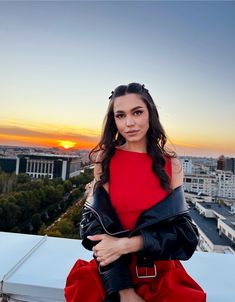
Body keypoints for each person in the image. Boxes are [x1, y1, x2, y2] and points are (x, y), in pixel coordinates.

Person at [64, 83, 206, 302]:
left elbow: (185, 237)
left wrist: (127, 244)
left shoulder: (171, 165)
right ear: (114, 121)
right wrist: (124, 291)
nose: (129, 123)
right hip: (112, 275)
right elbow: (94, 232)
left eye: (137, 112)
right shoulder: (105, 162)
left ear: (150, 114)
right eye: (120, 115)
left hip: (161, 276)